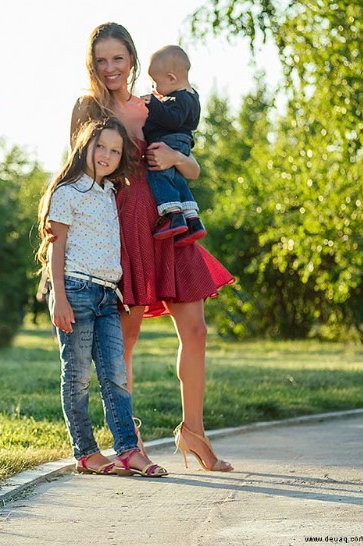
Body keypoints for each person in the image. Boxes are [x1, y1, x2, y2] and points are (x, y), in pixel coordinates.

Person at [70, 22, 235, 472]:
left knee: (196, 331)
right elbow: (78, 175)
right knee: (126, 337)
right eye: (101, 60)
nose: (110, 68)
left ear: (132, 60)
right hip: (123, 224)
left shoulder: (154, 106)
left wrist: (176, 158)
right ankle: (130, 439)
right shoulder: (88, 107)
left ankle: (193, 432)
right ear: (92, 64)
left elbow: (193, 167)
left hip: (168, 219)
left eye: (117, 59)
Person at [37, 117, 168, 478]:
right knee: (77, 376)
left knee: (115, 375)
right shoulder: (68, 192)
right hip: (75, 292)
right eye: (101, 146)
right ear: (85, 146)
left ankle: (129, 450)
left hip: (107, 297)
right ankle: (86, 452)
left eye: (115, 150)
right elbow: (56, 248)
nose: (107, 155)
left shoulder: (110, 193)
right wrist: (58, 298)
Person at [143, 45, 207, 246]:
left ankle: (172, 215)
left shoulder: (180, 98)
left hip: (170, 142)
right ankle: (192, 218)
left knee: (158, 173)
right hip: (182, 144)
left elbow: (172, 119)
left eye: (156, 82)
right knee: (176, 179)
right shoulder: (191, 97)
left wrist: (153, 104)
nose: (154, 88)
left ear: (171, 78)